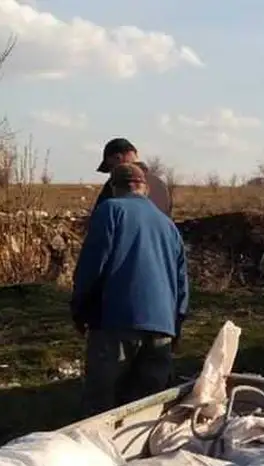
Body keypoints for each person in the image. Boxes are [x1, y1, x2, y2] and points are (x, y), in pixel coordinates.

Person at [71, 162, 189, 415]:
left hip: (115, 322)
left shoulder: (110, 210)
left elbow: (92, 265)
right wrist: (177, 325)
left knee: (100, 407)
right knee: (147, 410)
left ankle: (95, 451)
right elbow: (182, 285)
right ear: (145, 188)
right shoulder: (169, 226)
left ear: (114, 187)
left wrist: (80, 309)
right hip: (162, 327)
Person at [93, 138, 173, 217]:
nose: (111, 173)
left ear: (118, 157)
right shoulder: (161, 185)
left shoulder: (117, 184)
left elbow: (100, 218)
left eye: (111, 167)